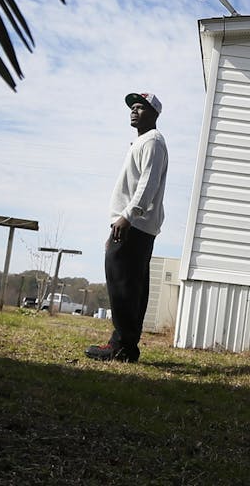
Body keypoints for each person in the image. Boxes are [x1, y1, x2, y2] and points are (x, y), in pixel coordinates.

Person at [86, 91, 168, 362]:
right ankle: (125, 345)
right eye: (132, 107)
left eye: (141, 108)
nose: (134, 111)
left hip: (134, 224)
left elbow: (148, 183)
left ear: (155, 114)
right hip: (134, 224)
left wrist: (127, 216)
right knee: (131, 285)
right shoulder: (142, 141)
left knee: (123, 285)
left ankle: (122, 346)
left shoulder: (153, 141)